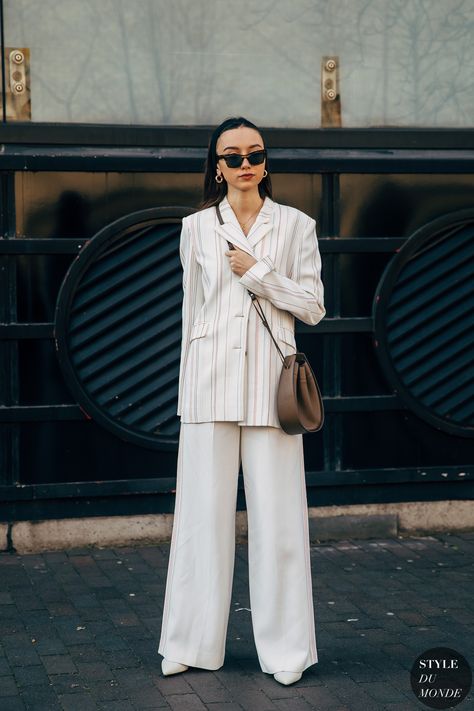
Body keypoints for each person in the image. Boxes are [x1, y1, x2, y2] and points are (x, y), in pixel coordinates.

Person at [158, 117, 325, 686]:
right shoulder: (196, 227)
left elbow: (313, 307)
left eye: (255, 153)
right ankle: (189, 642)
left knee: (278, 525)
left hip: (271, 390)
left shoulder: (297, 225)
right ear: (217, 166)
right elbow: (191, 316)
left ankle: (286, 653)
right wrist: (186, 394)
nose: (245, 163)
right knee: (200, 523)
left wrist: (259, 273)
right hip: (208, 386)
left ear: (267, 162)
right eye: (233, 156)